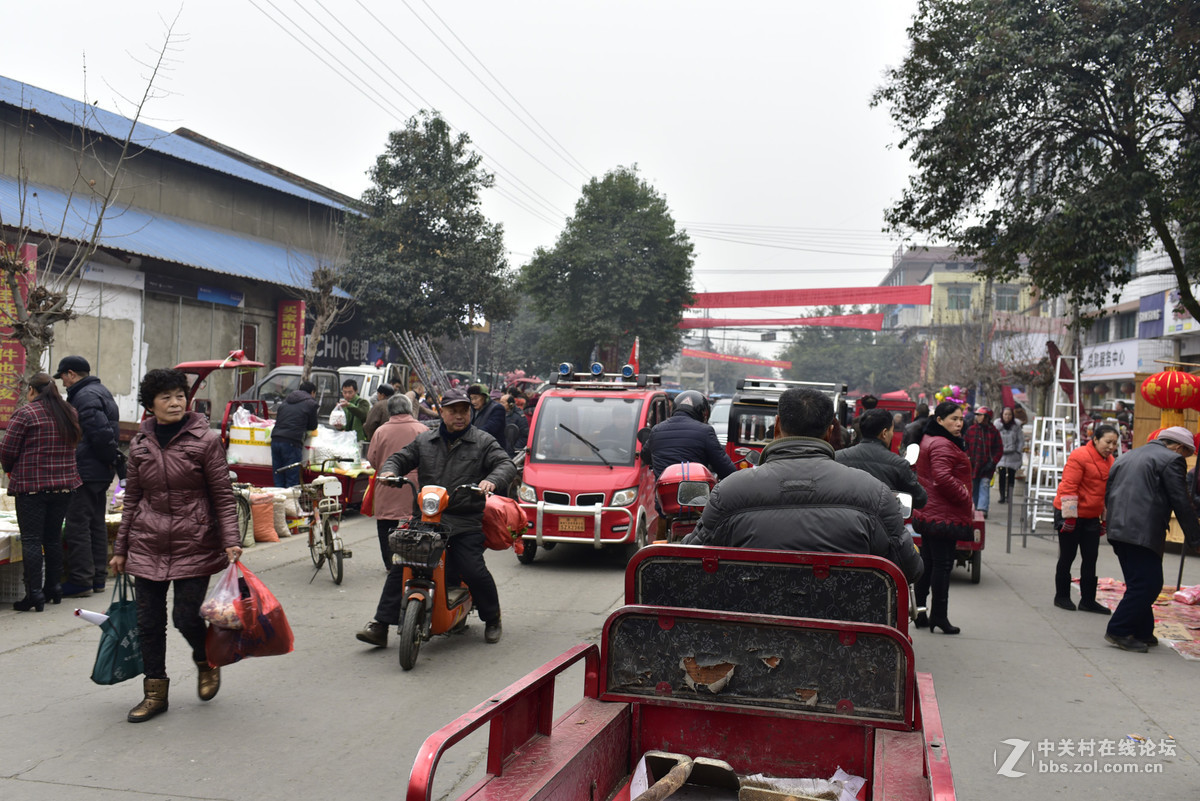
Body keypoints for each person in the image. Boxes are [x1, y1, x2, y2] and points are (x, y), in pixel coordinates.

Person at [110, 368, 243, 721]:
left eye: (180, 396)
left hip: (194, 541)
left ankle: (205, 659)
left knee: (185, 616)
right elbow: (132, 499)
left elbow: (222, 495)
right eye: (166, 397)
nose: (175, 403)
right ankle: (155, 694)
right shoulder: (140, 444)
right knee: (148, 623)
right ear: (151, 404)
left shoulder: (206, 441)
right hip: (147, 542)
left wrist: (231, 540)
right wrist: (121, 549)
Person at [683, 388, 922, 583]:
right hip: (844, 626)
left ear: (777, 426)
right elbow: (910, 569)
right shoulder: (875, 493)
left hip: (751, 624)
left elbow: (690, 559)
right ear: (829, 433)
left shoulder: (728, 492)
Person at [357, 388, 516, 647]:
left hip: (464, 521)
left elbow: (505, 464)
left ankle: (492, 618)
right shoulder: (425, 440)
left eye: (464, 410)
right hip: (426, 520)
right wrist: (389, 471)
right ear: (442, 412)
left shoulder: (483, 441)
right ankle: (380, 625)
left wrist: (492, 480)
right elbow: (400, 458)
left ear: (470, 413)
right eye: (453, 411)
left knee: (472, 569)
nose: (459, 416)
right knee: (401, 566)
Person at [1103, 426, 1200, 653]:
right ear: (1179, 448)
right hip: (1141, 530)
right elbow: (1181, 501)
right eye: (1186, 454)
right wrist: (1196, 539)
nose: (1185, 459)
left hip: (1119, 528)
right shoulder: (1172, 460)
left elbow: (1109, 493)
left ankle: (1143, 631)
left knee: (1139, 582)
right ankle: (1118, 629)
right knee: (1149, 584)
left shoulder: (1129, 456)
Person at [0, 372, 82, 611]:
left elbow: (7, 450)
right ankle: (53, 588)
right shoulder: (69, 412)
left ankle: (34, 593)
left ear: (32, 390)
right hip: (64, 485)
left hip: (32, 487)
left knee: (32, 540)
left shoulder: (26, 413)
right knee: (53, 537)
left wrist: (9, 469)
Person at [56, 355, 121, 598]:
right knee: (95, 523)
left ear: (71, 374)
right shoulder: (98, 391)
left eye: (63, 377)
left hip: (86, 469)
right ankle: (97, 578)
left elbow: (100, 433)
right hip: (98, 469)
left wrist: (107, 457)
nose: (63, 383)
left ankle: (81, 580)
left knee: (77, 524)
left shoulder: (85, 396)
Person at [911, 400, 973, 635]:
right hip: (943, 515)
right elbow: (942, 477)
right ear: (939, 420)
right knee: (942, 565)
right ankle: (939, 615)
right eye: (953, 419)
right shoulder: (942, 444)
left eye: (961, 419)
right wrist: (964, 494)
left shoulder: (931, 438)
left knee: (928, 563)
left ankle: (920, 612)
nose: (959, 424)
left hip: (932, 511)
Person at [1052, 424, 1118, 613]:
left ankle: (1088, 601)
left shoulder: (1111, 461)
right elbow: (1069, 486)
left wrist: (1105, 520)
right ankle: (1062, 596)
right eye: (1108, 442)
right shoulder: (1080, 456)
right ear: (1095, 440)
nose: (1111, 447)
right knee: (1068, 555)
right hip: (1070, 513)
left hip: (1091, 515)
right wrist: (1070, 518)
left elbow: (1107, 494)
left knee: (1091, 557)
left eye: (1114, 443)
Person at [365, 393, 427, 569]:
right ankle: (414, 560)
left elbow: (372, 459)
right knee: (416, 522)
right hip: (415, 485)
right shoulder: (422, 429)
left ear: (390, 410)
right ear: (409, 409)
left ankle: (390, 563)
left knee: (386, 525)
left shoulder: (380, 431)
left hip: (387, 483)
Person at [836, 408, 928, 510]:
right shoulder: (898, 464)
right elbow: (920, 499)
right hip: (881, 519)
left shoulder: (838, 457)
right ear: (884, 433)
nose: (892, 434)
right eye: (892, 430)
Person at [646, 390, 737, 479]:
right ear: (703, 413)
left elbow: (645, 457)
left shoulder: (656, 430)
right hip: (695, 487)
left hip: (664, 487)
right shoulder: (705, 431)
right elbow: (726, 469)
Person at [271, 380, 318, 488]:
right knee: (291, 481)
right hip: (291, 442)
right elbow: (312, 426)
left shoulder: (286, 401)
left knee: (278, 478)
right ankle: (290, 499)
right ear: (312, 392)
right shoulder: (311, 403)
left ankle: (279, 498)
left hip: (275, 440)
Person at [964, 406, 1003, 519]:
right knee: (974, 486)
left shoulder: (993, 432)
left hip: (987, 466)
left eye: (981, 415)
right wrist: (967, 458)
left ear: (987, 417)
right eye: (977, 415)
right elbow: (965, 446)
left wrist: (993, 462)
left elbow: (999, 449)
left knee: (984, 485)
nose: (978, 417)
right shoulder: (971, 430)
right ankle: (974, 508)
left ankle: (982, 509)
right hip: (973, 465)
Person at [995, 406, 1025, 504]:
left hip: (1013, 455)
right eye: (1005, 414)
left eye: (1009, 414)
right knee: (1002, 474)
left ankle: (1009, 496)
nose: (1007, 416)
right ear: (1002, 415)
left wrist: (1018, 451)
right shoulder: (997, 427)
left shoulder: (1016, 427)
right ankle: (1002, 496)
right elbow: (994, 439)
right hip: (1001, 455)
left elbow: (1020, 440)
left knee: (1011, 476)